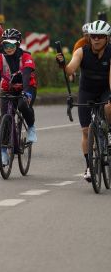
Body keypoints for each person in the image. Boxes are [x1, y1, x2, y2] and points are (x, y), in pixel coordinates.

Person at [56, 18, 111, 182]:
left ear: (107, 38)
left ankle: (108, 131)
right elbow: (70, 69)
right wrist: (63, 64)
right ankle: (88, 166)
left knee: (108, 106)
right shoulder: (81, 51)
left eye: (100, 36)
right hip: (86, 91)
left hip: (105, 89)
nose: (96, 39)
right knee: (86, 131)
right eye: (93, 36)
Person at [0, 28, 38, 166]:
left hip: (27, 88)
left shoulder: (26, 57)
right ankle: (3, 153)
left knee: (22, 105)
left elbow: (26, 75)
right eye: (6, 44)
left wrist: (26, 92)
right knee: (5, 117)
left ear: (18, 44)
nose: (8, 48)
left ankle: (31, 128)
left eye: (12, 45)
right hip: (8, 89)